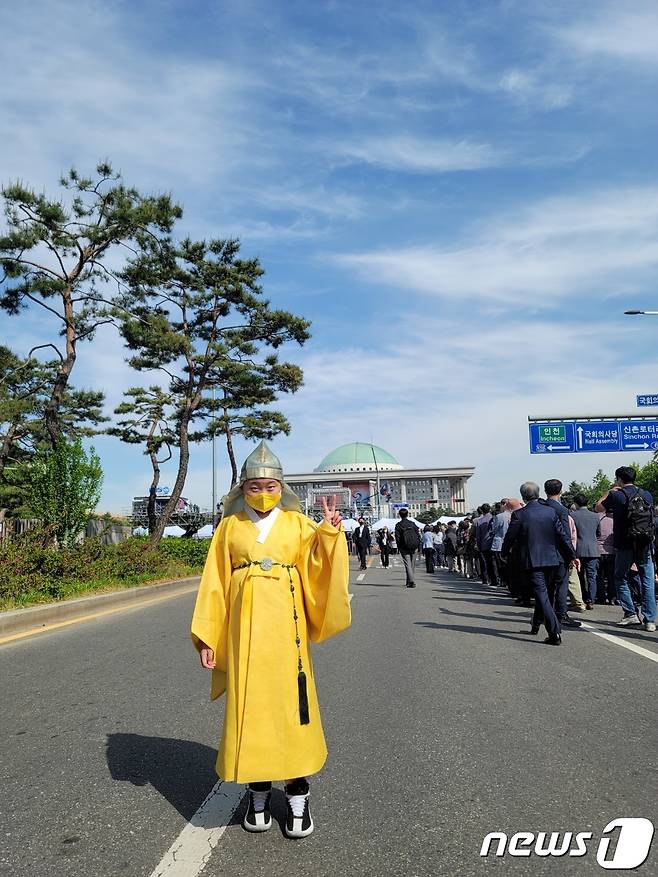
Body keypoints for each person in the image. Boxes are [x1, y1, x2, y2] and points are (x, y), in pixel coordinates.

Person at [190, 441, 351, 838]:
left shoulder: (298, 524)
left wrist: (329, 534)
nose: (262, 494)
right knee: (252, 708)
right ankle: (257, 793)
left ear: (282, 488)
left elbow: (318, 567)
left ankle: (298, 795)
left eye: (270, 486)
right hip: (243, 636)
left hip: (287, 634)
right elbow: (215, 583)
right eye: (254, 487)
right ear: (242, 489)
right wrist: (209, 636)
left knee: (290, 706)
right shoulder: (229, 527)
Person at [502, 481, 577, 645]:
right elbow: (563, 536)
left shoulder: (520, 515)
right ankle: (536, 623)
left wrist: (504, 552)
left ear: (523, 496)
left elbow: (510, 537)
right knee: (545, 594)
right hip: (552, 559)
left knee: (542, 594)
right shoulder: (550, 512)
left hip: (532, 560)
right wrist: (572, 555)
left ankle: (554, 632)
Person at [595, 466, 657, 631]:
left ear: (619, 479)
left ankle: (630, 613)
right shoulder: (647, 494)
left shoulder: (617, 495)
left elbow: (598, 507)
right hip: (645, 543)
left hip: (625, 544)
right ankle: (650, 620)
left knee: (620, 578)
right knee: (647, 581)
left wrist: (609, 491)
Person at [541, 480, 584, 627]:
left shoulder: (542, 507)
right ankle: (561, 614)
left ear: (545, 491)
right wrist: (572, 555)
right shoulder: (561, 510)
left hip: (543, 554)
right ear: (561, 491)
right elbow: (565, 535)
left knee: (547, 586)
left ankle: (547, 614)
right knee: (561, 585)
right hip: (559, 554)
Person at [570, 493, 601, 610]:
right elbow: (599, 533)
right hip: (593, 549)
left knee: (579, 576)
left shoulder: (572, 516)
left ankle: (582, 598)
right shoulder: (595, 516)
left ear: (576, 503)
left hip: (578, 549)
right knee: (592, 576)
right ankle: (591, 600)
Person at [395, 508, 421, 587]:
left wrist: (399, 547)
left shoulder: (398, 525)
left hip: (404, 547)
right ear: (407, 514)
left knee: (408, 564)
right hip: (414, 546)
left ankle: (411, 581)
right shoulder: (412, 523)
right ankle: (409, 581)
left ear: (399, 515)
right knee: (412, 564)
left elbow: (397, 538)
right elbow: (418, 535)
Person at [489, 500, 511, 589]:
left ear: (503, 505)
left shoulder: (499, 517)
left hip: (499, 543)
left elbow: (494, 529)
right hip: (510, 543)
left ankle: (503, 580)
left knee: (500, 564)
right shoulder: (513, 514)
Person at [597, 508, 616, 604]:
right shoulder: (614, 522)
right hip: (611, 552)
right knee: (611, 576)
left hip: (598, 551)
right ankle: (612, 597)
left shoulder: (599, 520)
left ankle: (601, 598)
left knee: (599, 576)